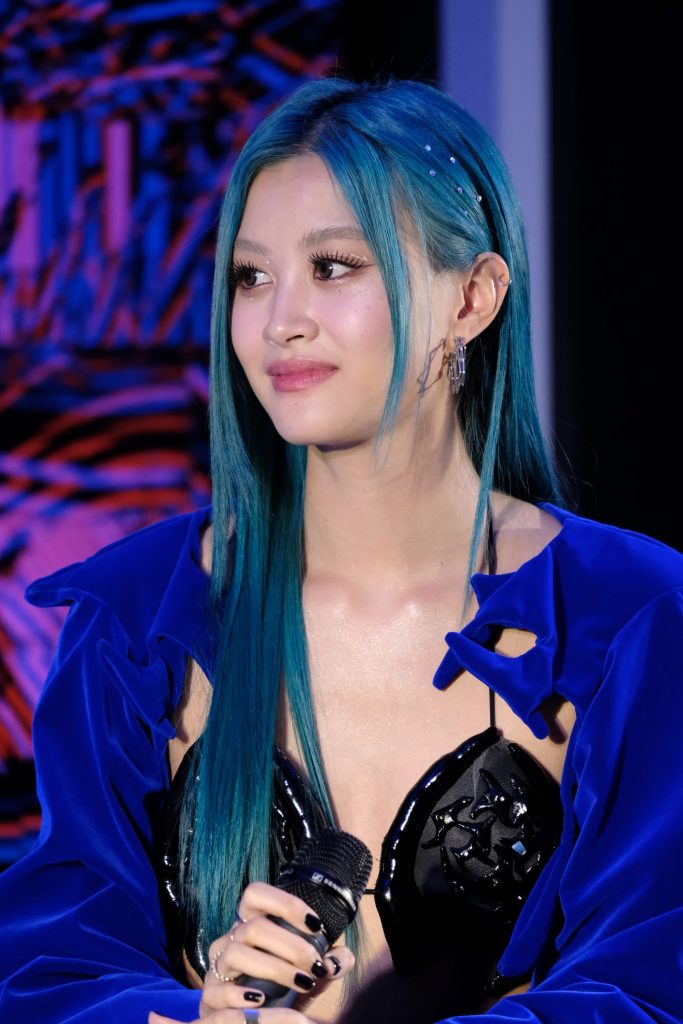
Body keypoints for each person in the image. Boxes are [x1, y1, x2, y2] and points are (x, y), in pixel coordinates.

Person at [1, 76, 682, 1024]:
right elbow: (54, 971)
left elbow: (651, 977)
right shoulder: (137, 620)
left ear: (472, 298)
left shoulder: (627, 614)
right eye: (250, 277)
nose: (280, 318)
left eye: (333, 267)